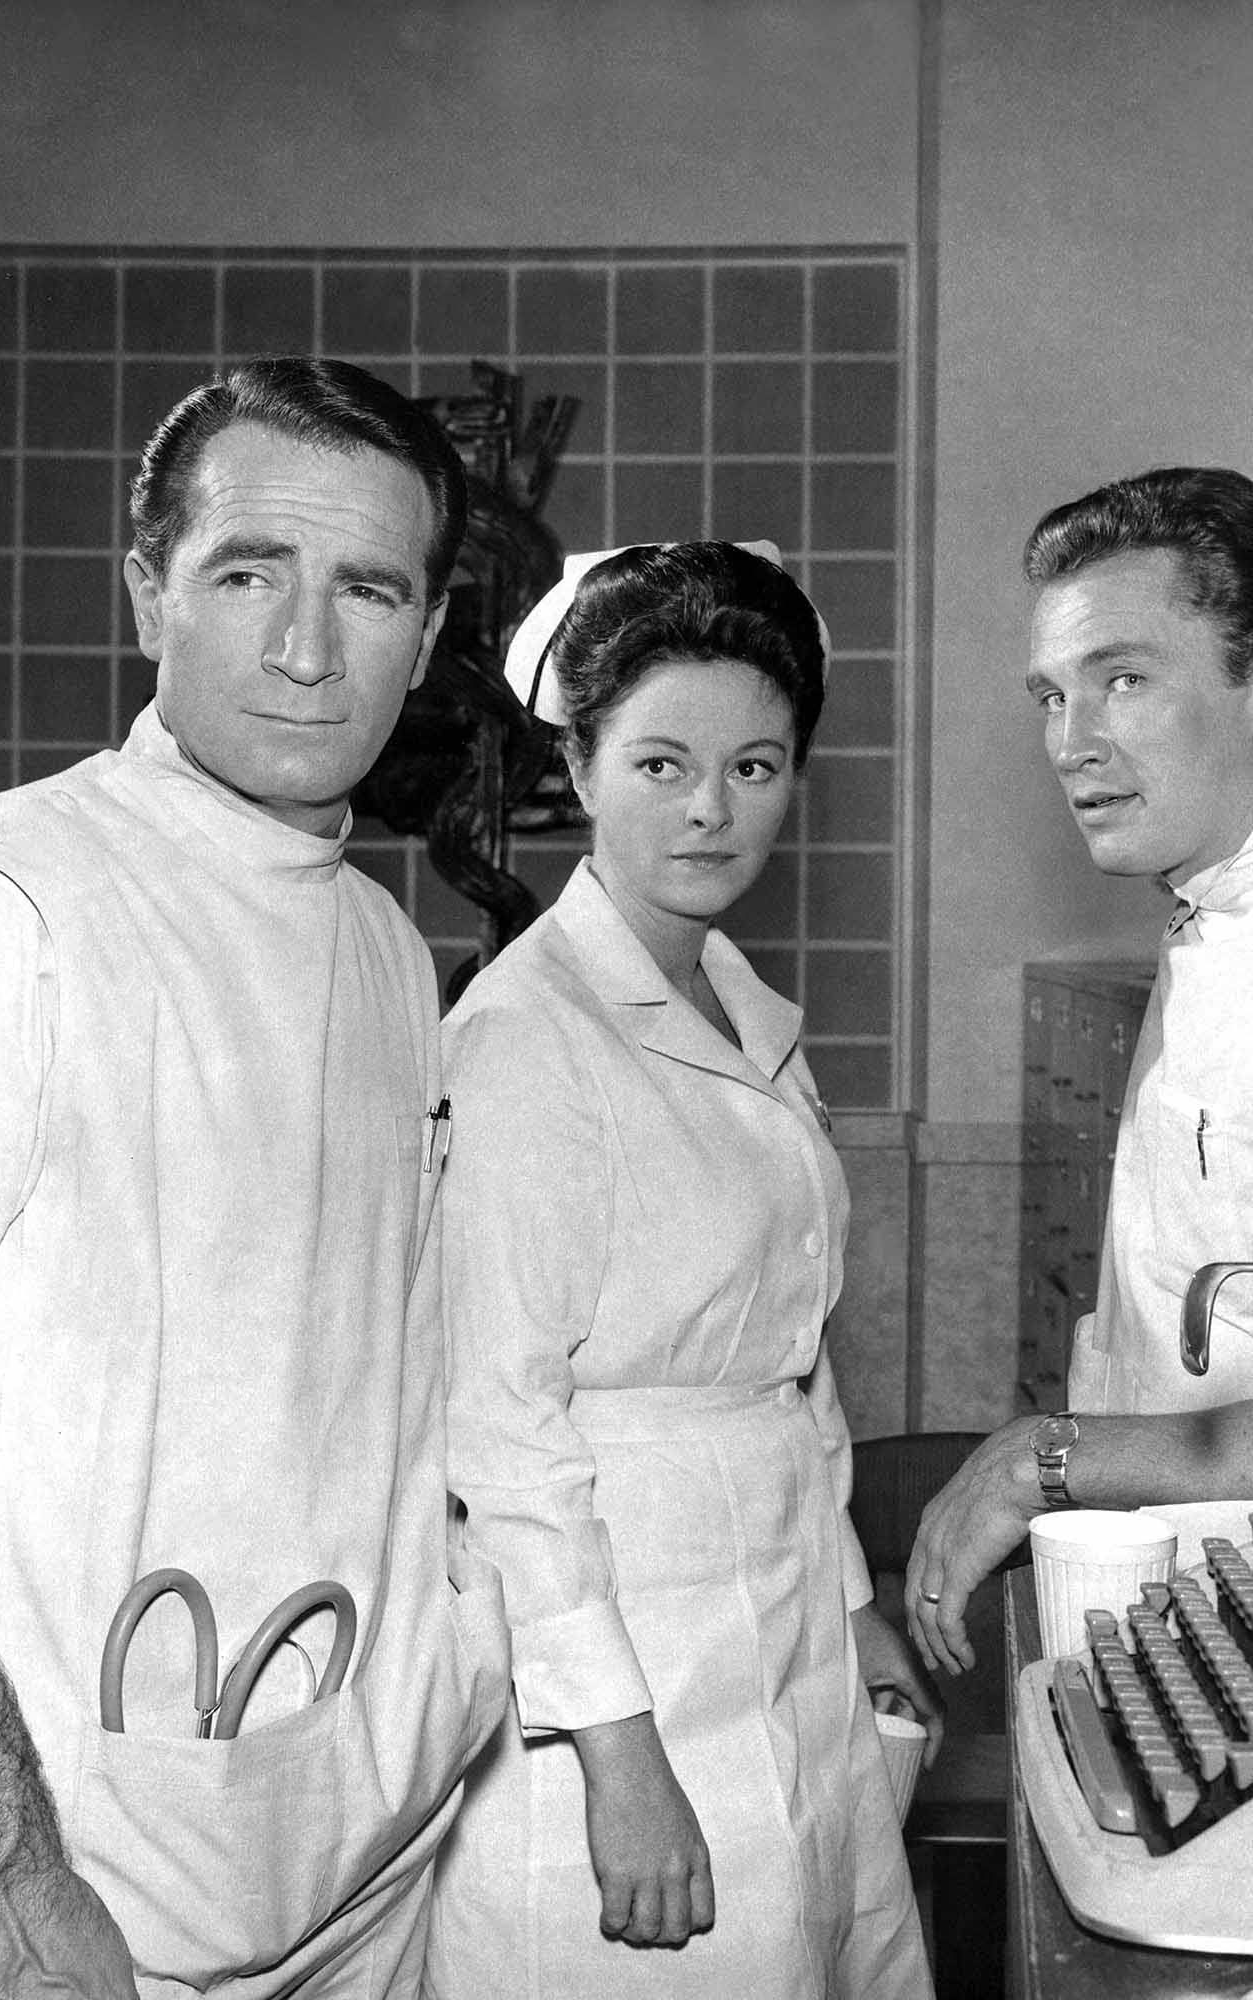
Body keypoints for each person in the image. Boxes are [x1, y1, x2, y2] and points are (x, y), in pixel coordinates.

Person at [0, 357, 511, 1996]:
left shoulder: (385, 951)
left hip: (355, 1848)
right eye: (249, 574)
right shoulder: (3, 902)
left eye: (369, 591)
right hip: (78, 1901)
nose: (309, 650)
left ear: (427, 635)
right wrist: (2, 1866)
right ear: (145, 595)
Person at [423, 542, 941, 1999]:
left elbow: (792, 1364)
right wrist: (618, 1753)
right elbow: (499, 1430)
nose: (711, 808)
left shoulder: (742, 1010)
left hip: (781, 1626)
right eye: (660, 764)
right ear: (578, 767)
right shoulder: (524, 1039)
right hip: (618, 1668)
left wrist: (852, 1605)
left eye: (753, 767)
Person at [908, 465, 1253, 1676]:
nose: (1070, 743)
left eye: (1124, 679)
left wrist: (1043, 1457)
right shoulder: (1227, 897)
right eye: (1052, 695)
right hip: (1201, 1617)